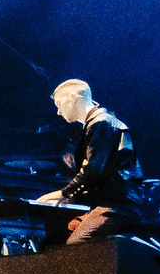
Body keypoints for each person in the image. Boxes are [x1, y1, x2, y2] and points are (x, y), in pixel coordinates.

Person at [40, 79, 142, 241]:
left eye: (59, 104)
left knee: (77, 244)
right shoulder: (99, 123)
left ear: (73, 97)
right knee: (56, 240)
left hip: (117, 206)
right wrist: (73, 197)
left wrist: (64, 193)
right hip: (106, 204)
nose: (58, 112)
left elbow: (95, 170)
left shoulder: (102, 123)